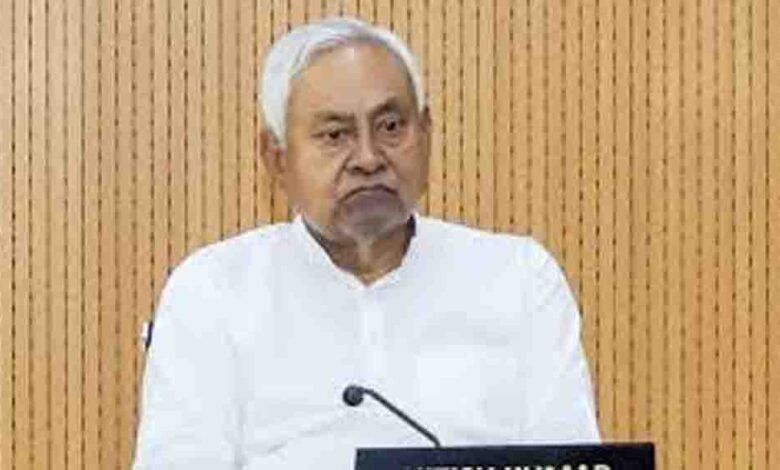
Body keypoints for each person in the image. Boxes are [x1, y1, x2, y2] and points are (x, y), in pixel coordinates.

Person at [132, 16, 600, 470]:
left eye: (391, 127)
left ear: (427, 134)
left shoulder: (518, 279)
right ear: (277, 160)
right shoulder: (213, 291)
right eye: (335, 135)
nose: (368, 158)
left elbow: (573, 463)